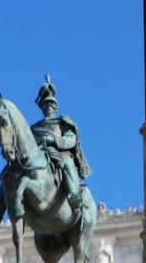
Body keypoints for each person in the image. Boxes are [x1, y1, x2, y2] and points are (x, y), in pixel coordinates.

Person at [30, 76, 91, 211]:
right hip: (40, 155)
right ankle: (0, 208)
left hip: (59, 154)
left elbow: (71, 139)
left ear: (55, 107)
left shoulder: (63, 122)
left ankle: (73, 194)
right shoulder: (34, 128)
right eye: (45, 105)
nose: (48, 108)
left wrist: (54, 141)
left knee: (67, 163)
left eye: (51, 105)